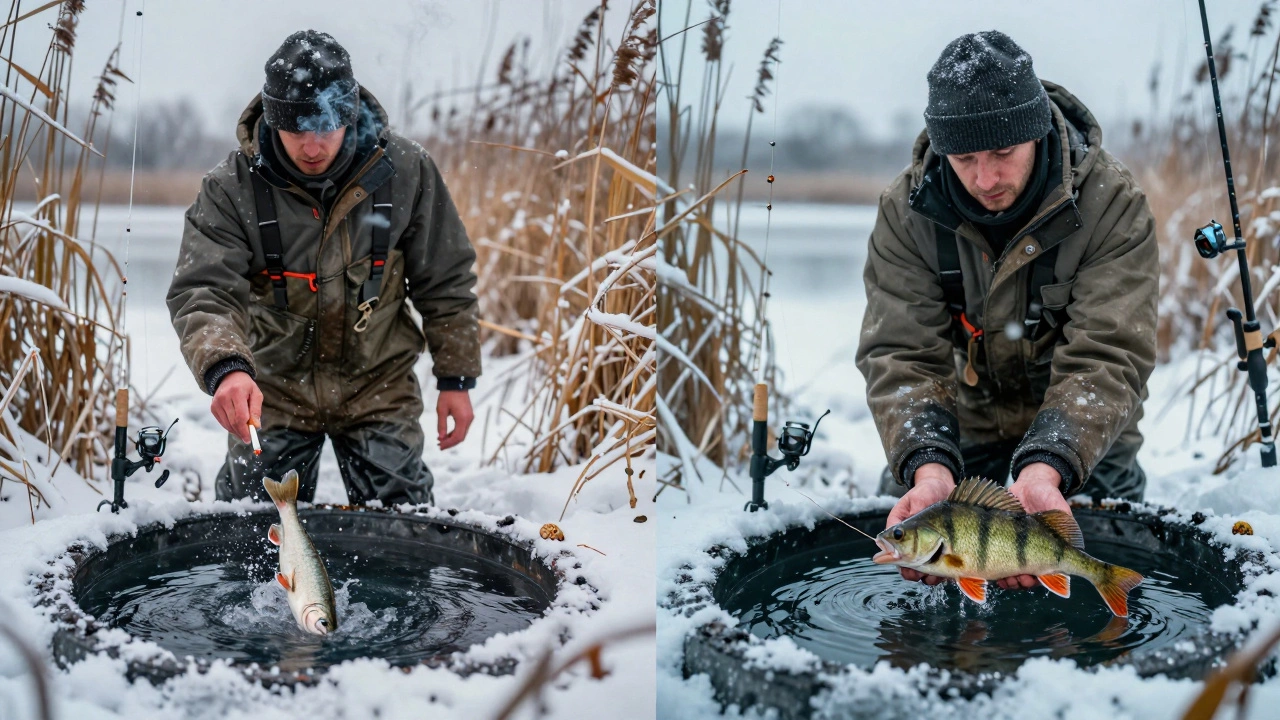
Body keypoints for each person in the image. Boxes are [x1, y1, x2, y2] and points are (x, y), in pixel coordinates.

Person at [855, 31, 1158, 589]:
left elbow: (1109, 356)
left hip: (1083, 439)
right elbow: (900, 354)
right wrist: (929, 465)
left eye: (1001, 153)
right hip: (961, 433)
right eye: (965, 157)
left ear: (1036, 133)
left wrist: (1048, 465)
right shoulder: (906, 213)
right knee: (906, 541)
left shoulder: (1113, 206)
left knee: (1114, 561)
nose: (986, 178)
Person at [167, 30, 481, 506]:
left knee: (402, 532)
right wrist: (226, 369)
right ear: (274, 122)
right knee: (251, 531)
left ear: (349, 115)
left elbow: (447, 279)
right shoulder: (227, 189)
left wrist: (455, 379)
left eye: (326, 129)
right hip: (271, 393)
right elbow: (203, 291)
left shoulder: (408, 170)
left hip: (379, 388)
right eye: (297, 132)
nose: (312, 147)